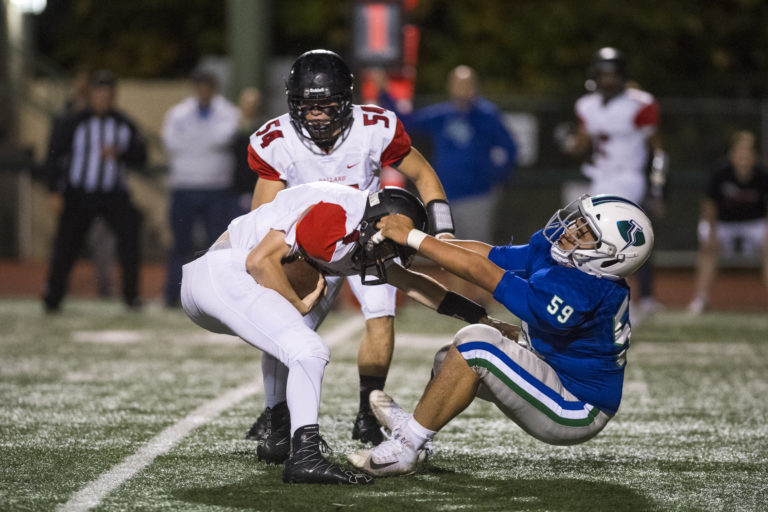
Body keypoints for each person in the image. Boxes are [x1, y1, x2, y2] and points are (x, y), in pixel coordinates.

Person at [180, 181, 513, 483]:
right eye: (389, 246)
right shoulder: (336, 216)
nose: (388, 257)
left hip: (216, 282)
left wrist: (480, 317)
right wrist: (299, 304)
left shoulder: (364, 230)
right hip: (222, 273)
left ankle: (278, 435)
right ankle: (305, 457)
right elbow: (259, 262)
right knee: (308, 349)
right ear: (376, 225)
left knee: (289, 341)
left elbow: (411, 284)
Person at [348, 194, 655, 476]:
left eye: (586, 232)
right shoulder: (565, 258)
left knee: (476, 345)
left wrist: (414, 238)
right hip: (552, 368)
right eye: (578, 221)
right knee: (448, 359)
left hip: (577, 407)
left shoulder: (586, 290)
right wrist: (418, 245)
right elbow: (489, 255)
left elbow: (482, 272)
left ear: (612, 257)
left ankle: (407, 446)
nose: (571, 229)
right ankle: (418, 436)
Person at [246, 49, 457, 447]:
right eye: (308, 106)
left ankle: (366, 412)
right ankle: (278, 414)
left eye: (327, 105)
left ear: (346, 100)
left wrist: (443, 230)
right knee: (287, 327)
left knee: (381, 314)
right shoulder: (276, 140)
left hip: (366, 241)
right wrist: (274, 259)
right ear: (293, 104)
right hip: (307, 246)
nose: (318, 115)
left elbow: (423, 174)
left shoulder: (374, 126)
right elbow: (262, 214)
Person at [557, 47, 667, 318]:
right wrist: (567, 143)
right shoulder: (587, 105)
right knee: (594, 236)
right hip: (600, 176)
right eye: (603, 74)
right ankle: (598, 295)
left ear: (622, 76)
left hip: (629, 176)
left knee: (621, 235)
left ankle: (643, 296)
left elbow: (659, 150)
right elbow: (581, 144)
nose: (607, 80)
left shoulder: (640, 104)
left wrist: (658, 188)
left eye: (612, 74)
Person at [42, 70, 147, 313]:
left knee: (129, 239)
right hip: (79, 193)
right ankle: (53, 296)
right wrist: (54, 190)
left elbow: (141, 156)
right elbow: (54, 155)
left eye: (108, 94)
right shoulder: (72, 122)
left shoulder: (123, 123)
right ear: (91, 95)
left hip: (113, 193)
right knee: (66, 245)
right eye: (99, 94)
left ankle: (131, 296)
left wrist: (121, 154)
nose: (103, 99)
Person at [377, 65, 518, 243]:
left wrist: (494, 177)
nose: (461, 88)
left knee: (478, 250)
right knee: (448, 253)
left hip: (477, 196)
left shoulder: (487, 115)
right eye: (457, 84)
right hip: (445, 197)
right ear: (449, 86)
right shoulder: (443, 115)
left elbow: (510, 149)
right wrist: (384, 92)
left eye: (466, 84)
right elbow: (408, 122)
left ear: (475, 86)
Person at [162, 69, 241, 308]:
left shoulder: (228, 112)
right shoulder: (178, 113)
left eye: (207, 86)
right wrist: (206, 140)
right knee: (180, 244)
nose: (203, 91)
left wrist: (194, 140)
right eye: (200, 86)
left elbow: (224, 138)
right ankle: (173, 295)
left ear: (213, 88)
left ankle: (213, 296)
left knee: (215, 246)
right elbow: (170, 143)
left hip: (216, 187)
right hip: (184, 186)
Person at [688, 131, 768, 315]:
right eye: (739, 153)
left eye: (747, 153)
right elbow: (708, 203)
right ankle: (700, 298)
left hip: (754, 223)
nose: (743, 158)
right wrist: (712, 231)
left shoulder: (762, 174)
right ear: (732, 154)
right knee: (708, 250)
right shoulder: (720, 172)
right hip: (722, 223)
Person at [231, 87, 266, 217]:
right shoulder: (231, 127)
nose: (251, 107)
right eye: (248, 103)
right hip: (235, 185)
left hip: (257, 181)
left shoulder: (265, 127)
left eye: (254, 104)